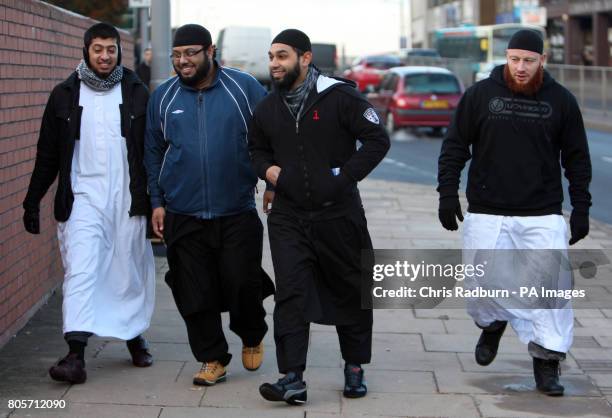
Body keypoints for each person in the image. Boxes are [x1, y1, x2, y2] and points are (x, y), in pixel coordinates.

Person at [437, 29, 592, 396]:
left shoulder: (561, 102)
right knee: (480, 289)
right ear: (506, 58)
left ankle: (547, 362)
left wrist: (581, 206)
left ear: (543, 61)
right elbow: (455, 145)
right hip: (487, 209)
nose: (520, 68)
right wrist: (447, 193)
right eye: (514, 59)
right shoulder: (480, 95)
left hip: (541, 212)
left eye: (529, 60)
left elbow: (577, 159)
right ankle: (492, 324)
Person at [248, 29, 390, 405]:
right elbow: (255, 150)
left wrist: (344, 178)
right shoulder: (267, 107)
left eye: (282, 56)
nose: (274, 64)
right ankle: (292, 377)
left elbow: (378, 139)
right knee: (291, 294)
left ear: (305, 58)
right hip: (289, 217)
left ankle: (355, 365)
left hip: (338, 215)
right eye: (271, 57)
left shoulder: (340, 96)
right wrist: (270, 172)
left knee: (351, 289)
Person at [22, 22, 156, 384]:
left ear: (118, 51)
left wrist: (159, 202)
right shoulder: (64, 94)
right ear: (86, 50)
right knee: (81, 269)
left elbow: (152, 153)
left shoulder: (137, 91)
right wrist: (32, 200)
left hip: (128, 196)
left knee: (127, 270)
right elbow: (47, 153)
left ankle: (133, 337)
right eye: (98, 49)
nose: (105, 55)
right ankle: (75, 354)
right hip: (82, 196)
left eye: (111, 49)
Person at [144, 24, 274, 387]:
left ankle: (251, 332)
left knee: (241, 282)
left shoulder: (243, 87)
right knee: (192, 290)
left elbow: (269, 135)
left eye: (190, 53)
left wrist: (272, 183)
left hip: (235, 208)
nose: (183, 61)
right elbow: (153, 152)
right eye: (177, 54)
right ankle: (212, 357)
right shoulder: (164, 96)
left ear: (210, 51)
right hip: (182, 212)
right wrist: (157, 202)